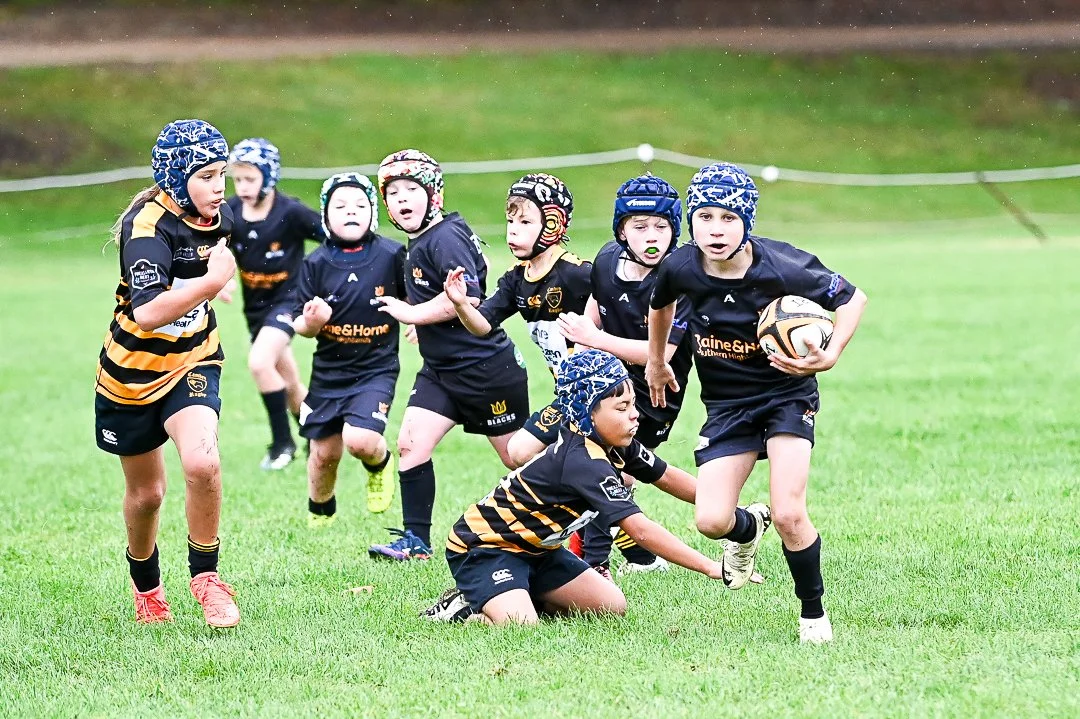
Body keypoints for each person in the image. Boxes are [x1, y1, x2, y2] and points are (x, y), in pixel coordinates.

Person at [646, 162, 868, 643]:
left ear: (746, 221)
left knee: (789, 513)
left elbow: (854, 299)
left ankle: (813, 616)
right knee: (711, 521)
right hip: (727, 406)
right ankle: (747, 528)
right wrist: (657, 361)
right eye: (705, 217)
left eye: (728, 218)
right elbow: (660, 305)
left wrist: (830, 354)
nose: (716, 229)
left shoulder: (782, 266)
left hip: (787, 395)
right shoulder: (680, 266)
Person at [424, 349, 725, 626]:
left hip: (540, 551)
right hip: (487, 547)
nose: (634, 414)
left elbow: (667, 476)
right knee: (521, 626)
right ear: (588, 413)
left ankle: (517, 593)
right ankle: (465, 609)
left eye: (633, 404)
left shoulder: (615, 444)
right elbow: (641, 530)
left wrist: (725, 506)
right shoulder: (583, 462)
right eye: (622, 407)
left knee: (611, 606)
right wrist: (710, 567)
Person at [95, 119, 241, 628]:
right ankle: (148, 590)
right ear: (177, 179)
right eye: (206, 176)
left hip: (193, 360)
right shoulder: (146, 227)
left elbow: (221, 259)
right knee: (147, 495)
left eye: (222, 173)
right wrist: (212, 282)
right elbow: (149, 312)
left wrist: (219, 283)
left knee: (203, 463)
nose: (219, 187)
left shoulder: (220, 214)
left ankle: (207, 580)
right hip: (130, 375)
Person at [368, 150, 530, 562]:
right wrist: (421, 318)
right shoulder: (428, 237)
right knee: (410, 445)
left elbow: (468, 297)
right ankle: (416, 542)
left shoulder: (444, 236)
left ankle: (570, 525)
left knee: (519, 459)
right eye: (394, 193)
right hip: (441, 372)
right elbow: (456, 279)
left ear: (433, 194)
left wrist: (412, 313)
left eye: (411, 190)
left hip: (485, 371)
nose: (402, 199)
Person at [556, 174, 696, 576]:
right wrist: (581, 353)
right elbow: (595, 309)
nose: (652, 236)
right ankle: (633, 553)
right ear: (621, 231)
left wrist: (594, 339)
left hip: (653, 394)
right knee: (537, 452)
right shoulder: (605, 261)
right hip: (601, 386)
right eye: (640, 226)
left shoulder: (681, 275)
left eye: (661, 227)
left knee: (609, 470)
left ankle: (594, 565)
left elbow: (660, 355)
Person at [442, 172, 591, 471]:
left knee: (597, 463)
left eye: (525, 222)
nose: (513, 230)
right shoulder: (516, 278)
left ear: (553, 224)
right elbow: (482, 325)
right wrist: (460, 303)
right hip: (568, 395)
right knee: (519, 452)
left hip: (599, 392)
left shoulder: (578, 274)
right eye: (511, 221)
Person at [290, 172, 406, 524]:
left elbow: (414, 298)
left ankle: (380, 464)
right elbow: (299, 324)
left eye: (359, 205)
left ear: (373, 213)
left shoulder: (392, 254)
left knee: (360, 441)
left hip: (376, 369)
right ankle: (321, 515)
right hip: (329, 373)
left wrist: (416, 321)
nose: (350, 211)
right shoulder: (315, 263)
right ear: (325, 216)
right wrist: (312, 321)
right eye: (340, 206)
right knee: (323, 454)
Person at [224, 138, 324, 470]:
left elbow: (333, 238)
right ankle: (318, 434)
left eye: (250, 179)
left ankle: (283, 444)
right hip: (255, 309)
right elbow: (215, 249)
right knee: (289, 381)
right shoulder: (231, 212)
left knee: (259, 363)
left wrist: (323, 278)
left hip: (289, 302)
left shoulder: (291, 212)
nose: (242, 187)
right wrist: (221, 280)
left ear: (269, 177)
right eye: (237, 179)